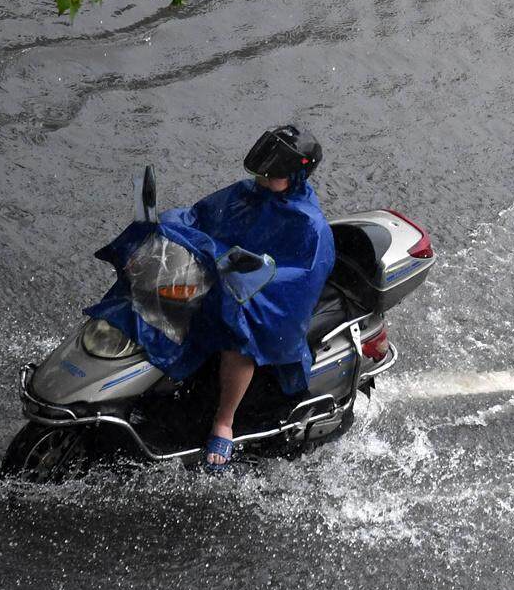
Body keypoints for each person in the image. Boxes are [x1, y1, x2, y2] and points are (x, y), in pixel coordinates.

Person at [88, 124, 336, 470]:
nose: (263, 181)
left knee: (240, 327)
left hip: (264, 295)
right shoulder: (245, 193)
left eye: (271, 176)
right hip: (220, 273)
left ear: (295, 176)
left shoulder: (309, 225)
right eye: (260, 174)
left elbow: (303, 275)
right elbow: (198, 217)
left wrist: (256, 275)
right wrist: (165, 226)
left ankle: (224, 420)